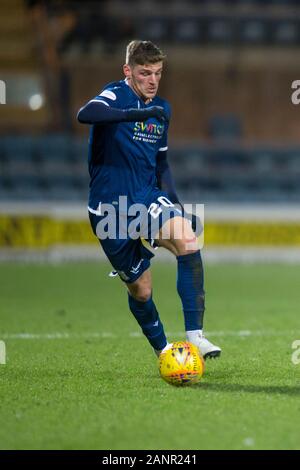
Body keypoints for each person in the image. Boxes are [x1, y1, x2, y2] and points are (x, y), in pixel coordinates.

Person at [77, 40, 221, 359]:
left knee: (187, 239)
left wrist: (178, 207)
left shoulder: (162, 111)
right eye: (145, 73)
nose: (152, 80)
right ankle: (164, 350)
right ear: (128, 71)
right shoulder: (116, 95)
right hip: (109, 209)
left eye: (157, 73)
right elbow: (85, 114)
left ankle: (196, 336)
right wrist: (132, 115)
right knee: (141, 290)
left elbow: (162, 166)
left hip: (146, 198)